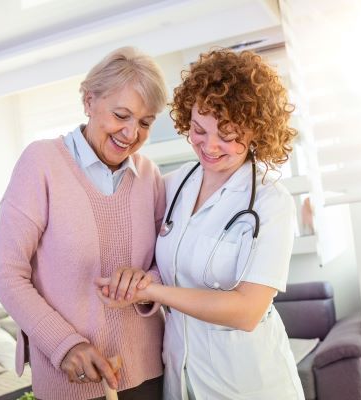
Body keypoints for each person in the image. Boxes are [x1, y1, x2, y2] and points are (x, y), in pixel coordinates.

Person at [96, 49, 305, 399]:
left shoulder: (271, 202)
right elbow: (166, 266)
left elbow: (247, 311)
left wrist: (152, 292)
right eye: (198, 129)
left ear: (256, 132)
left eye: (227, 135)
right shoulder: (173, 185)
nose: (209, 146)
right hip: (182, 380)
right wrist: (140, 281)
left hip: (248, 385)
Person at [0, 47, 168, 400]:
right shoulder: (41, 162)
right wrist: (66, 346)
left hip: (149, 371)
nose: (132, 133)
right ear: (89, 101)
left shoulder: (149, 175)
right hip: (70, 382)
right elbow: (6, 272)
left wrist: (147, 282)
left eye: (145, 122)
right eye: (122, 115)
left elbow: (166, 263)